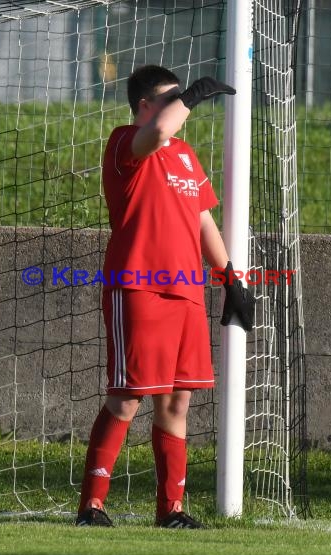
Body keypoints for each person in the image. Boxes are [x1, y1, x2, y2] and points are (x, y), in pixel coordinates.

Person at [76, 65, 255, 529]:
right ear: (144, 106)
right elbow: (157, 130)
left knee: (178, 401)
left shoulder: (184, 155)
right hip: (138, 287)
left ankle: (170, 510)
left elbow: (201, 220)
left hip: (186, 292)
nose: (181, 106)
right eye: (170, 98)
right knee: (128, 397)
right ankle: (91, 505)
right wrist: (192, 95)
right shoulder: (125, 142)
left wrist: (229, 279)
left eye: (182, 97)